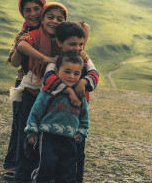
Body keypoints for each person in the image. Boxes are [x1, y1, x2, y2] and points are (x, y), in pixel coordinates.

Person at [10, 2, 69, 182]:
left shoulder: (62, 39)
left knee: (46, 134)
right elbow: (20, 47)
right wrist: (46, 59)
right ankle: (21, 174)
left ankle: (40, 171)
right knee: (26, 132)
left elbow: (84, 30)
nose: (54, 21)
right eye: (50, 17)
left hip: (53, 93)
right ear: (42, 19)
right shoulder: (33, 35)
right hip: (32, 90)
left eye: (60, 18)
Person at [42, 21, 99, 183]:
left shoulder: (86, 62)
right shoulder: (55, 62)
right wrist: (68, 90)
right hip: (54, 116)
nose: (78, 48)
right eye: (72, 44)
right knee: (51, 154)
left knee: (76, 153)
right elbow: (48, 79)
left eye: (81, 44)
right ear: (60, 43)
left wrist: (83, 82)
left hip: (77, 116)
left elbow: (95, 76)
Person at [3, 0, 47, 179]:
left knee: (38, 124)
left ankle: (34, 164)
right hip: (24, 82)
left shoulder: (50, 29)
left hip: (44, 84)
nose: (32, 13)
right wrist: (21, 45)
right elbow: (14, 62)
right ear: (22, 13)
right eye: (27, 10)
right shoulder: (23, 33)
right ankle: (13, 163)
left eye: (37, 8)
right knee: (19, 125)